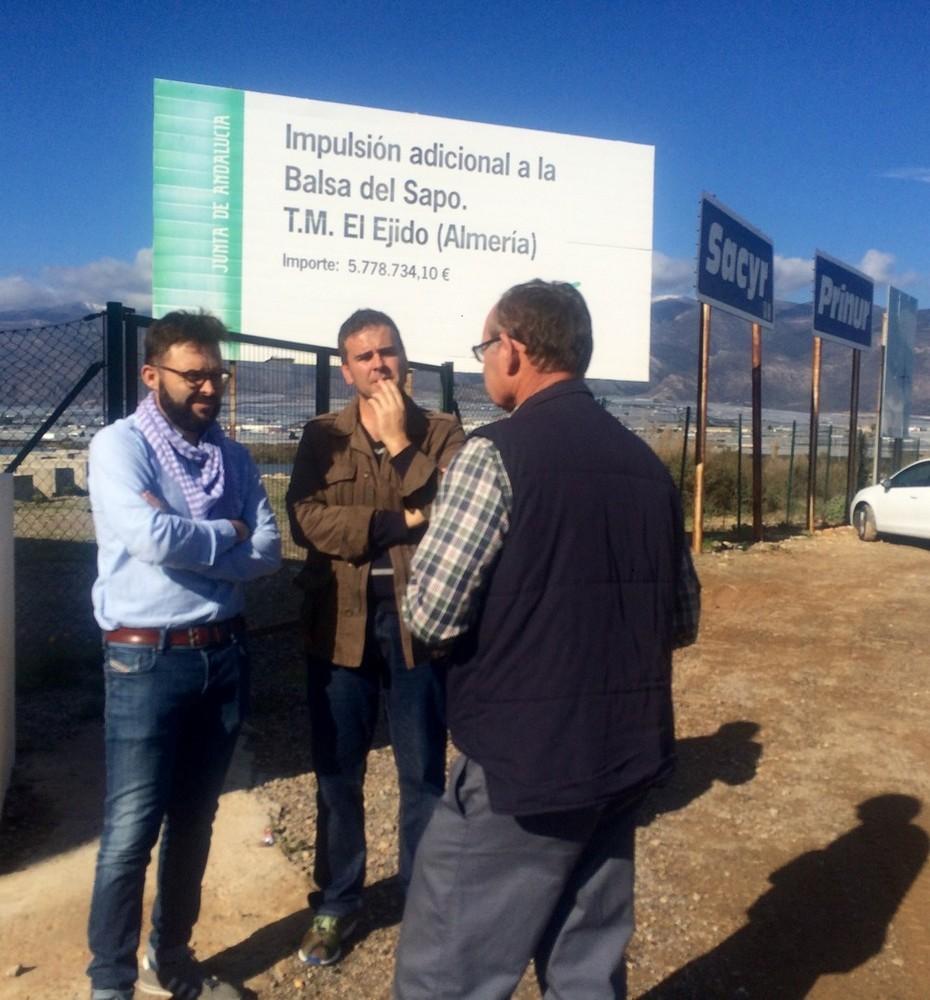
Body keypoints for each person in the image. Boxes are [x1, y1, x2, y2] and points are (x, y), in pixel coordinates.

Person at [394, 280, 701, 1000]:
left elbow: (430, 614)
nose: (482, 363)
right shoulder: (648, 468)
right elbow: (681, 619)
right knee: (585, 971)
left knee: (449, 975)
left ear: (516, 348)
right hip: (623, 757)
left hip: (519, 770)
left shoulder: (492, 455)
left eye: (484, 346)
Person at [86, 311, 282, 1000]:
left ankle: (172, 957)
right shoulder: (119, 446)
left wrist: (201, 536)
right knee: (130, 831)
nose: (207, 386)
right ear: (152, 375)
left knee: (195, 821)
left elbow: (267, 551)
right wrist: (224, 531)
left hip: (223, 657)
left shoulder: (234, 457)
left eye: (215, 374)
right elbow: (150, 539)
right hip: (146, 662)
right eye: (192, 374)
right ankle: (109, 983)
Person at [286, 308, 465, 967]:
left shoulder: (441, 432)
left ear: (403, 356)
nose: (378, 365)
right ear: (345, 368)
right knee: (338, 771)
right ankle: (336, 903)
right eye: (364, 357)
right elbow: (307, 520)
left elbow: (451, 511)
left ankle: (424, 905)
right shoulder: (320, 436)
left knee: (422, 772)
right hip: (339, 622)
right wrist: (395, 524)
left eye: (387, 352)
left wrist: (398, 444)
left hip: (420, 622)